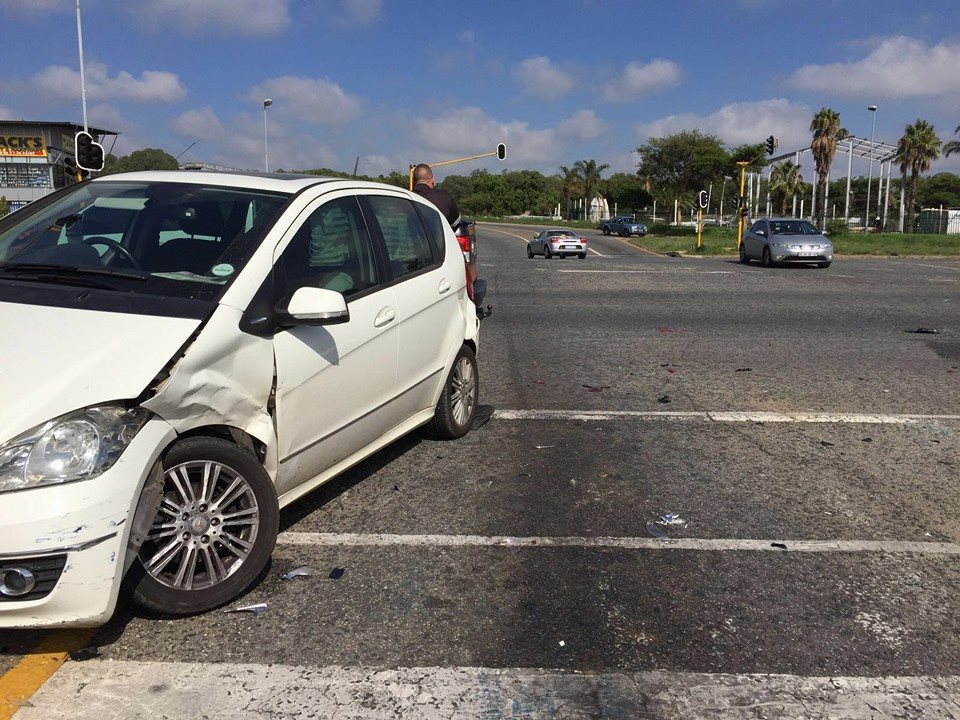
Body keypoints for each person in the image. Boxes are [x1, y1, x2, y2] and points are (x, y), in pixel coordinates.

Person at [412, 163, 462, 228]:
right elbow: (455, 223)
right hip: (439, 237)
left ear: (413, 181)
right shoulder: (444, 197)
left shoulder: (405, 198)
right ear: (433, 180)